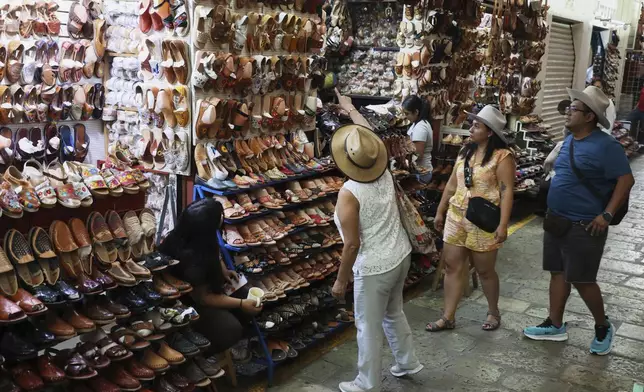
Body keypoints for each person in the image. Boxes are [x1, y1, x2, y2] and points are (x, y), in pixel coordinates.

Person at [523, 86, 634, 356]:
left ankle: (602, 326)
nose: (568, 112)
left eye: (574, 108)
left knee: (583, 279)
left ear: (589, 117)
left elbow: (626, 179)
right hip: (557, 220)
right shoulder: (570, 139)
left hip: (585, 224)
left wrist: (606, 214)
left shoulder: (607, 146)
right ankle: (555, 324)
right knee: (558, 272)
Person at [331, 90, 423, 392]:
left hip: (374, 268)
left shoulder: (349, 193)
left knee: (368, 325)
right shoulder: (381, 169)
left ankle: (367, 382)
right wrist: (349, 109)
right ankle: (407, 361)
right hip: (399, 254)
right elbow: (368, 137)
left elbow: (353, 244)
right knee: (393, 312)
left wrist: (341, 281)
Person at [425, 105, 515, 333]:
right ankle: (448, 316)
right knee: (452, 266)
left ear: (490, 132)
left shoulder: (502, 157)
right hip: (456, 216)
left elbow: (506, 191)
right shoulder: (465, 151)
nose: (471, 128)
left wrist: (503, 224)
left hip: (483, 221)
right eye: (472, 124)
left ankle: (493, 311)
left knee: (485, 271)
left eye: (477, 125)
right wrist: (440, 210)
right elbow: (453, 185)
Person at [158, 198, 262, 356]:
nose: (222, 217)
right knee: (231, 328)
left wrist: (223, 270)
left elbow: (212, 250)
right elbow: (203, 298)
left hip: (202, 287)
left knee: (247, 293)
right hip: (188, 302)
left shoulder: (193, 235)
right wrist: (241, 304)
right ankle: (197, 355)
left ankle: (238, 329)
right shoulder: (192, 258)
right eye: (219, 216)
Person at [402, 95, 433, 183]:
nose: (405, 116)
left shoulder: (421, 127)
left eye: (407, 113)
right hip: (419, 171)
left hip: (422, 173)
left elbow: (418, 154)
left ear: (416, 112)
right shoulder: (417, 123)